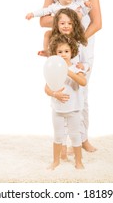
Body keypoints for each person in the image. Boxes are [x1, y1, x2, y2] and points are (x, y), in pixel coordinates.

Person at [40, 0, 102, 152]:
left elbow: (97, 22)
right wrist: (65, 16)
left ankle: (82, 139)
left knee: (80, 91)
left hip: (82, 46)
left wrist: (77, 38)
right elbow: (43, 21)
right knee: (59, 88)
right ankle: (63, 140)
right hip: (62, 47)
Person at [45, 33, 87, 170]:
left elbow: (83, 82)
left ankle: (78, 161)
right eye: (60, 51)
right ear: (55, 53)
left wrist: (68, 72)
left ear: (72, 52)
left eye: (66, 51)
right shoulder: (53, 67)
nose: (63, 54)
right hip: (57, 109)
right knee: (58, 136)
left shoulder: (76, 68)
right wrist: (54, 94)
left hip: (73, 109)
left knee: (75, 135)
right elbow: (46, 88)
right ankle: (56, 161)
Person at [25, 0, 91, 55]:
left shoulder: (75, 5)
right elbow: (44, 11)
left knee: (73, 40)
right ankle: (47, 51)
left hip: (71, 31)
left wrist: (88, 7)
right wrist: (33, 14)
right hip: (58, 31)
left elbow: (84, 13)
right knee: (47, 34)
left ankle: (74, 51)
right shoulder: (55, 6)